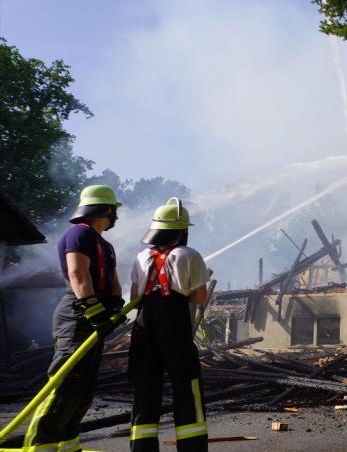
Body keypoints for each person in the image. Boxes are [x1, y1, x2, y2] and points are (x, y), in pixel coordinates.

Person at [24, 185, 125, 452]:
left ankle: (67, 443)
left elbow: (113, 280)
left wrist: (115, 305)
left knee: (83, 388)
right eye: (113, 210)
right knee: (65, 382)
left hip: (94, 314)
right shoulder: (79, 234)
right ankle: (39, 444)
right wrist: (93, 309)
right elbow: (77, 274)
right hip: (77, 315)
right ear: (104, 209)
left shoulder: (105, 244)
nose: (115, 216)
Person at [129, 197, 210, 452]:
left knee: (145, 387)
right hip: (174, 324)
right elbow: (199, 297)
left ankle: (142, 448)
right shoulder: (190, 255)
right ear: (182, 231)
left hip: (144, 325)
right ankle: (192, 447)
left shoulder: (141, 256)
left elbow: (134, 298)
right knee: (186, 385)